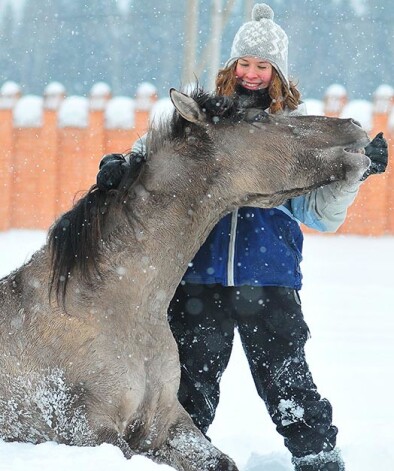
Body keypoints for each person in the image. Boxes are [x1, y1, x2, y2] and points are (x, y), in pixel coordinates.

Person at [96, 4, 388, 471]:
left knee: (287, 383)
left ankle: (318, 460)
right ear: (232, 66)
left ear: (278, 73)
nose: (252, 74)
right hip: (199, 277)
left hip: (268, 278)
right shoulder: (202, 115)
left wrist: (353, 174)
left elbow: (320, 216)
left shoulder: (295, 132)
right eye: (245, 63)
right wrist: (122, 165)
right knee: (188, 389)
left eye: (262, 65)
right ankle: (179, 462)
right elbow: (159, 156)